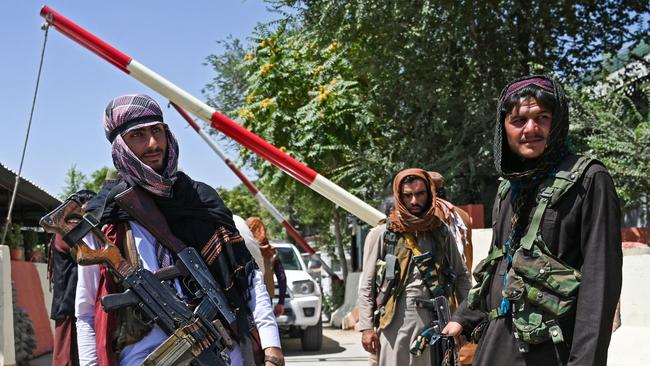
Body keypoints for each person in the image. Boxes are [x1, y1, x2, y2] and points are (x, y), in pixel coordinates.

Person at [73, 94, 284, 366]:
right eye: (138, 135)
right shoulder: (105, 221)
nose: (153, 143)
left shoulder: (201, 201)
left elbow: (248, 277)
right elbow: (86, 311)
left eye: (157, 131)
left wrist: (271, 346)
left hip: (220, 353)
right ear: (120, 146)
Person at [444, 75, 623, 366]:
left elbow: (600, 284)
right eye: (518, 120)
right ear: (504, 128)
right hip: (496, 345)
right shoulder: (508, 188)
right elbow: (498, 266)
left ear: (558, 121)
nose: (531, 129)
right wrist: (464, 317)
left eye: (543, 117)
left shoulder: (589, 180)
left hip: (551, 352)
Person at [358, 168, 472, 365]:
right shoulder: (384, 234)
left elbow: (461, 276)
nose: (414, 201)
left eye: (420, 194)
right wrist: (366, 328)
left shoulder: (441, 231)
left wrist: (466, 318)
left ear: (429, 194)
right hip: (396, 323)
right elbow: (367, 283)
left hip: (438, 321)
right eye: (408, 195)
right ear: (399, 197)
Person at [48, 190, 96, 366]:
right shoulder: (69, 228)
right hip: (70, 304)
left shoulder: (68, 227)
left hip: (73, 303)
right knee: (66, 357)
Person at [245, 217, 288, 318]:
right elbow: (282, 277)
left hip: (244, 299)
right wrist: (281, 302)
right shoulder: (271, 253)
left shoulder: (241, 249)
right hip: (265, 300)